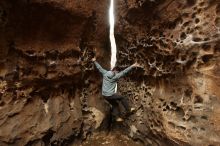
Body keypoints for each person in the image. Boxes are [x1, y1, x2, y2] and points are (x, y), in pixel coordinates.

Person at [92, 57, 140, 121]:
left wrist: (94, 61)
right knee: (122, 98)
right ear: (115, 71)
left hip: (104, 95)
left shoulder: (105, 73)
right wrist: (132, 66)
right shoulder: (115, 77)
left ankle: (117, 118)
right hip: (110, 95)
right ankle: (129, 109)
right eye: (117, 72)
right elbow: (124, 72)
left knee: (115, 104)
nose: (117, 73)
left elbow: (99, 68)